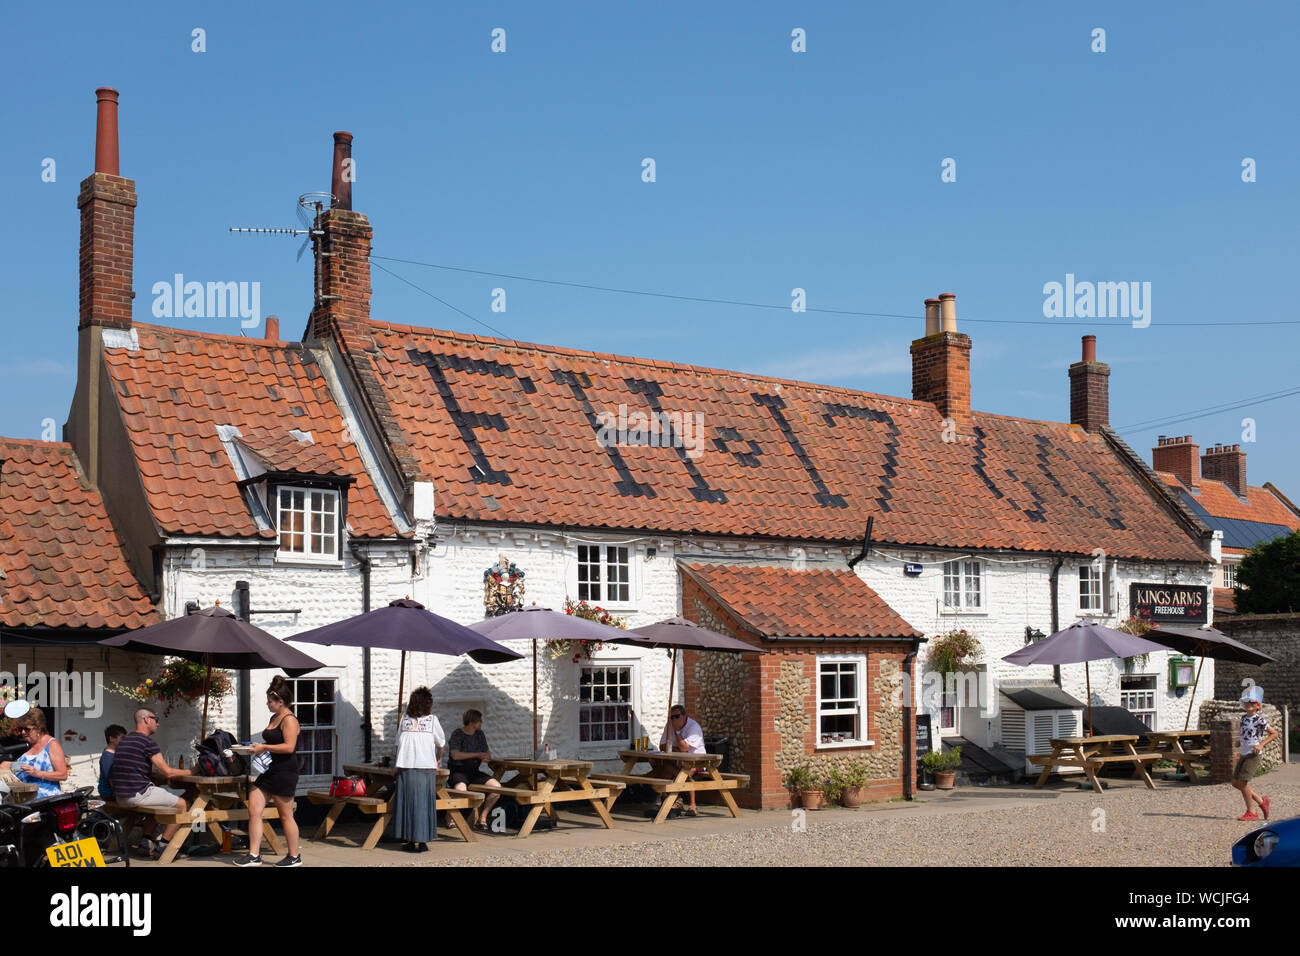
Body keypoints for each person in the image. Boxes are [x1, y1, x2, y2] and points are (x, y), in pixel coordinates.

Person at [108, 707, 192, 858]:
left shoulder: (124, 741)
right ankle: (164, 845)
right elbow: (168, 772)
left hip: (121, 797)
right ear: (147, 720)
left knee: (157, 802)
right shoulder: (147, 742)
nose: (158, 724)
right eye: (156, 720)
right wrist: (192, 771)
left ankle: (146, 842)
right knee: (184, 804)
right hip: (137, 795)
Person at [235, 676, 302, 867]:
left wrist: (263, 747)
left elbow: (289, 747)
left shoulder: (289, 719)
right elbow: (272, 743)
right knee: (254, 809)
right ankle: (254, 855)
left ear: (281, 702)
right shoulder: (275, 717)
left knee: (285, 815)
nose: (267, 704)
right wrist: (256, 748)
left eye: (270, 701)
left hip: (285, 772)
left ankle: (294, 856)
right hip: (269, 771)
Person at [392, 687, 445, 852]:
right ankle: (422, 841)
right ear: (428, 703)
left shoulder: (404, 720)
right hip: (425, 768)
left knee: (408, 804)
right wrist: (436, 761)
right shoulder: (432, 720)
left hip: (406, 767)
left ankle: (410, 839)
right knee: (423, 804)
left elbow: (397, 745)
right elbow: (441, 744)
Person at [448, 709, 501, 829]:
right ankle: (450, 816)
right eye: (479, 721)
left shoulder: (479, 734)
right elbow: (455, 755)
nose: (481, 723)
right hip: (458, 770)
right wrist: (477, 754)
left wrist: (485, 757)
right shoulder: (457, 734)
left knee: (497, 788)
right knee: (461, 790)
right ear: (472, 722)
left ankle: (482, 818)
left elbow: (487, 752)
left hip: (474, 772)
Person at [1232, 685, 1278, 822]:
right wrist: (1239, 741)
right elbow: (1247, 733)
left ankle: (1252, 812)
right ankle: (1261, 801)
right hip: (1244, 753)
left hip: (1253, 754)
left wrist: (1261, 744)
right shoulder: (1243, 718)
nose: (1249, 704)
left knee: (1242, 782)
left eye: (1252, 702)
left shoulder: (1259, 719)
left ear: (1258, 706)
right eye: (1247, 702)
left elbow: (1274, 733)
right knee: (1235, 782)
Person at [0, 707, 68, 799]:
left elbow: (63, 774)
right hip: (24, 798)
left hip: (44, 798)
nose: (23, 732)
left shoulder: (51, 744)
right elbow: (25, 766)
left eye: (27, 729)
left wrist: (37, 773)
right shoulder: (28, 745)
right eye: (21, 729)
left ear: (39, 728)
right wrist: (9, 765)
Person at [659, 705, 706, 816]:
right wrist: (677, 749)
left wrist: (677, 732)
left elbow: (684, 748)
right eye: (672, 717)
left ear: (684, 716)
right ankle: (673, 800)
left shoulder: (694, 727)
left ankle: (692, 805)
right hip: (679, 759)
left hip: (698, 760)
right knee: (664, 772)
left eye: (677, 716)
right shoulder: (669, 725)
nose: (674, 719)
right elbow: (661, 746)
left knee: (684, 773)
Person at [97, 724, 127, 799]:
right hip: (109, 793)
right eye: (122, 738)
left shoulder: (115, 754)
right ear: (112, 739)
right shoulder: (107, 756)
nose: (125, 741)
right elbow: (111, 779)